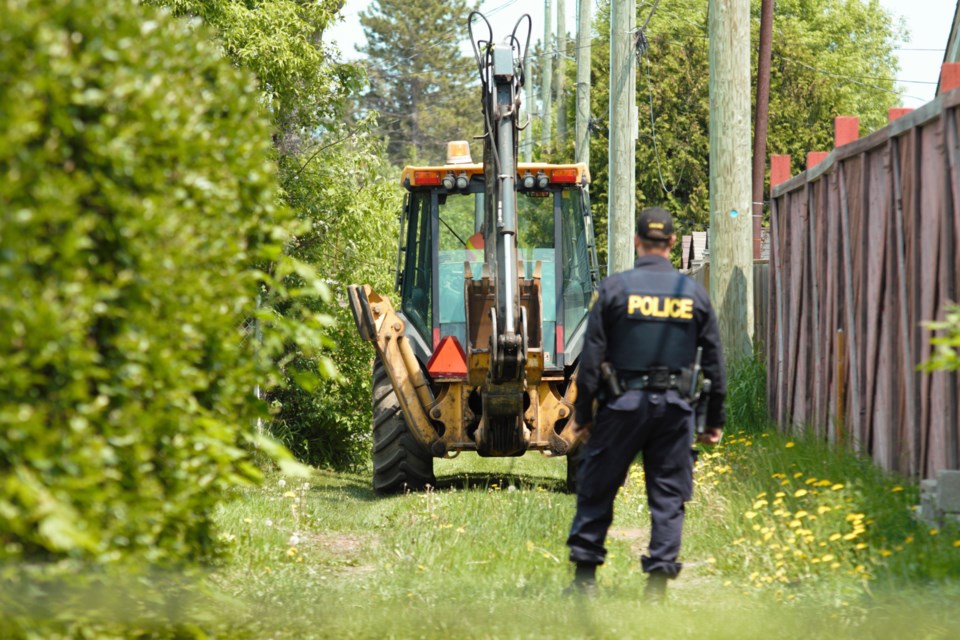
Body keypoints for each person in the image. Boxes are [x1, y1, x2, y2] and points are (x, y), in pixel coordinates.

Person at [565, 206, 726, 601]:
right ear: (671, 243)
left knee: (597, 487)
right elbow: (715, 365)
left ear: (637, 241)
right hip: (675, 409)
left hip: (622, 406)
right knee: (669, 496)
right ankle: (656, 588)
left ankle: (585, 581)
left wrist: (583, 416)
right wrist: (712, 421)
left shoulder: (615, 290)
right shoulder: (693, 294)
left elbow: (589, 362)